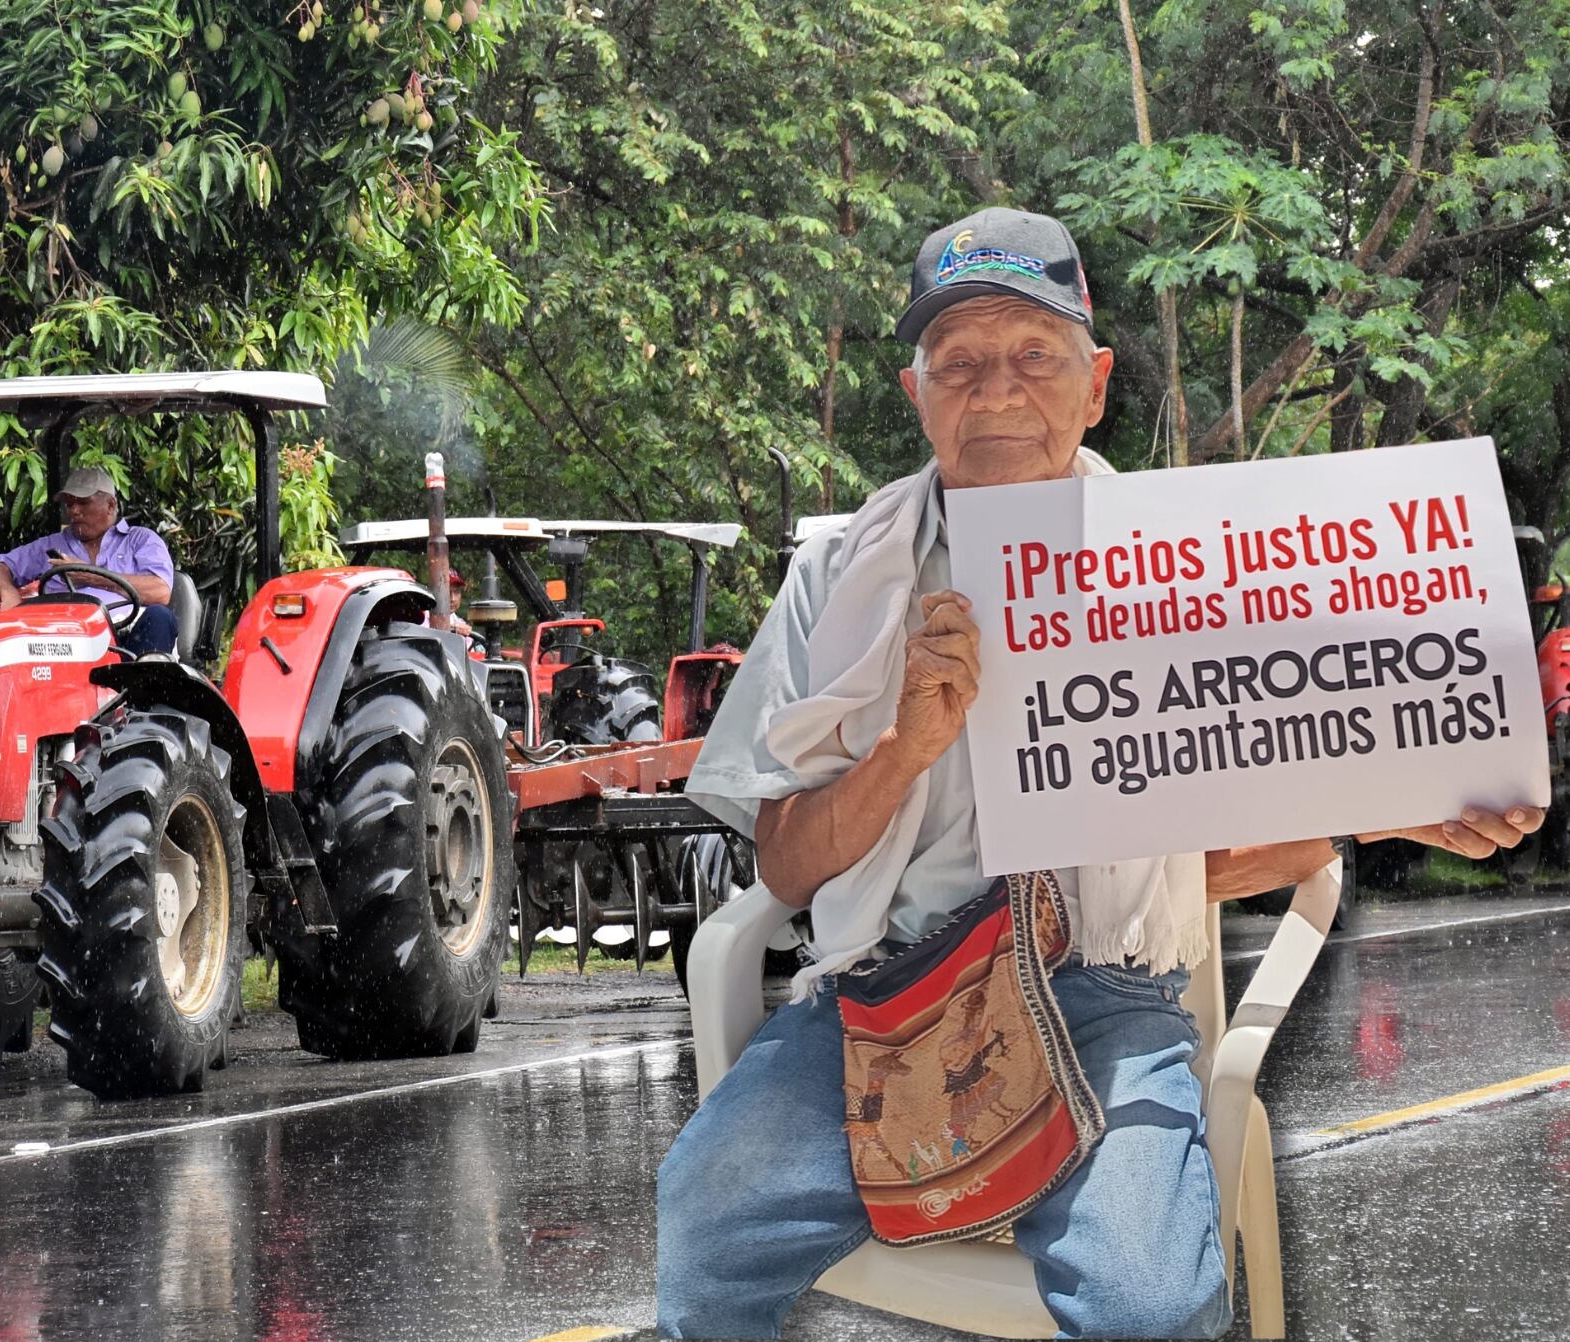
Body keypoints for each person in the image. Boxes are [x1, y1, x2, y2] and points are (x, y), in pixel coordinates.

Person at [656, 206, 1545, 1340]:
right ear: (914, 390)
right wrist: (902, 750)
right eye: (960, 362)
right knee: (704, 1213)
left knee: (1147, 1303)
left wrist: (1404, 794)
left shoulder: (1189, 563)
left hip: (1102, 997)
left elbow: (1224, 847)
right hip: (884, 995)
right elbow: (783, 861)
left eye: (1035, 356)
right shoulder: (839, 578)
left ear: (1095, 385)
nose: (995, 393)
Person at [0, 466, 179, 657]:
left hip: (126, 636)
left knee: (160, 617)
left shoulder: (139, 540)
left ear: (110, 505)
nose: (73, 511)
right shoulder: (53, 545)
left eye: (83, 502)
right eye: (69, 503)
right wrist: (8, 591)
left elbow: (160, 592)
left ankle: (141, 686)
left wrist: (91, 576)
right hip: (65, 643)